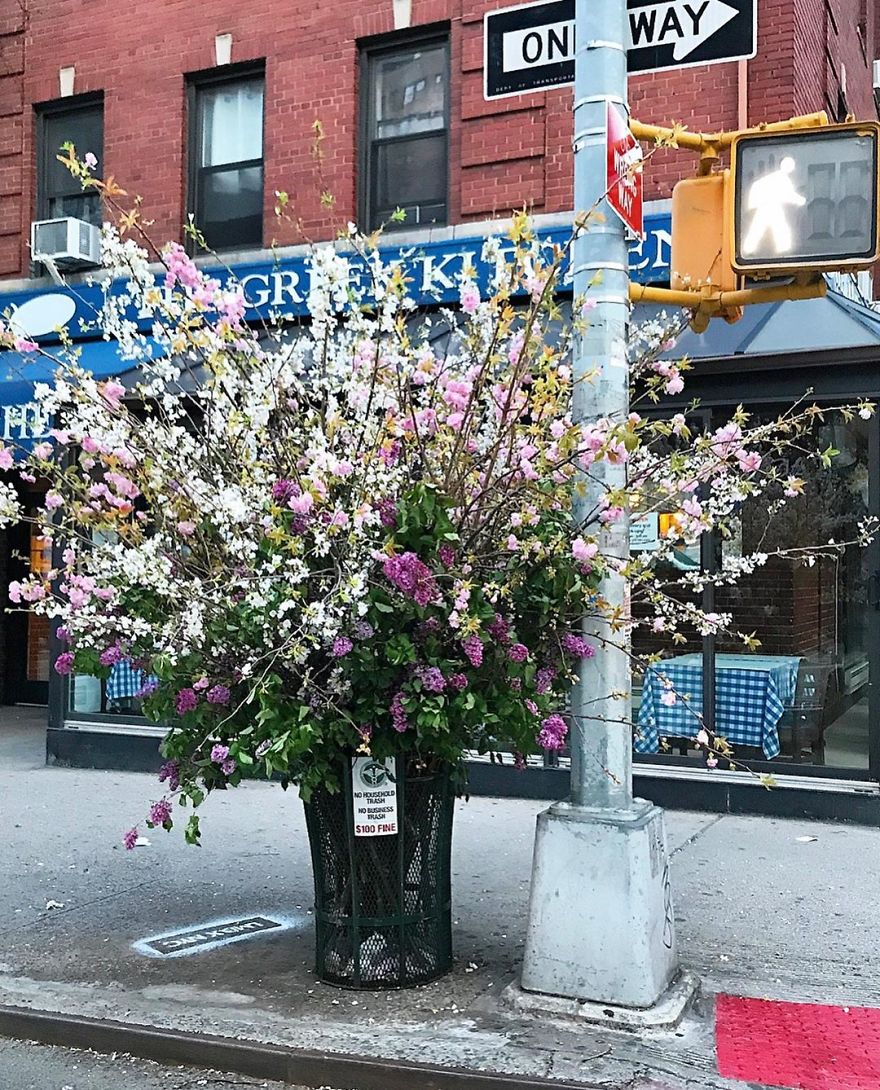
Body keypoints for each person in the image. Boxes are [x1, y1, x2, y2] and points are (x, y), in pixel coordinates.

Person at [741, 156, 806, 257]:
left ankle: (750, 249)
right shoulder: (781, 178)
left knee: (761, 228)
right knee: (777, 227)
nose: (791, 168)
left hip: (766, 206)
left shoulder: (779, 177)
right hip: (770, 206)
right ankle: (782, 248)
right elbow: (787, 195)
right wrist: (800, 200)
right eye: (789, 166)